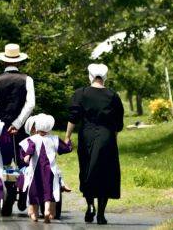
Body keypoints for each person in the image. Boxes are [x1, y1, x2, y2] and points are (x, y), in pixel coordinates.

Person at [65, 63, 124, 225]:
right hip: (107, 137)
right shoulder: (113, 96)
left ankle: (90, 205)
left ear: (90, 76)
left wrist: (67, 137)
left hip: (86, 135)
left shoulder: (80, 93)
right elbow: (118, 123)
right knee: (105, 173)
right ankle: (101, 214)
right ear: (105, 77)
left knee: (86, 169)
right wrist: (114, 138)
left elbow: (73, 117)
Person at [0, 43, 35, 215]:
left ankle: (8, 190)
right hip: (20, 128)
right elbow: (31, 104)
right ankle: (22, 191)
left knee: (3, 161)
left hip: (0, 127)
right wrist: (18, 123)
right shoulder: (27, 80)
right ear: (19, 62)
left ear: (3, 62)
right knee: (23, 160)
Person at [19, 114, 72, 223]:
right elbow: (65, 149)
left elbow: (30, 149)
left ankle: (34, 214)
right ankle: (47, 210)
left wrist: (27, 156)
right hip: (50, 171)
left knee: (34, 191)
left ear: (37, 127)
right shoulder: (54, 139)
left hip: (35, 171)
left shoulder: (32, 139)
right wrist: (68, 143)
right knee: (49, 191)